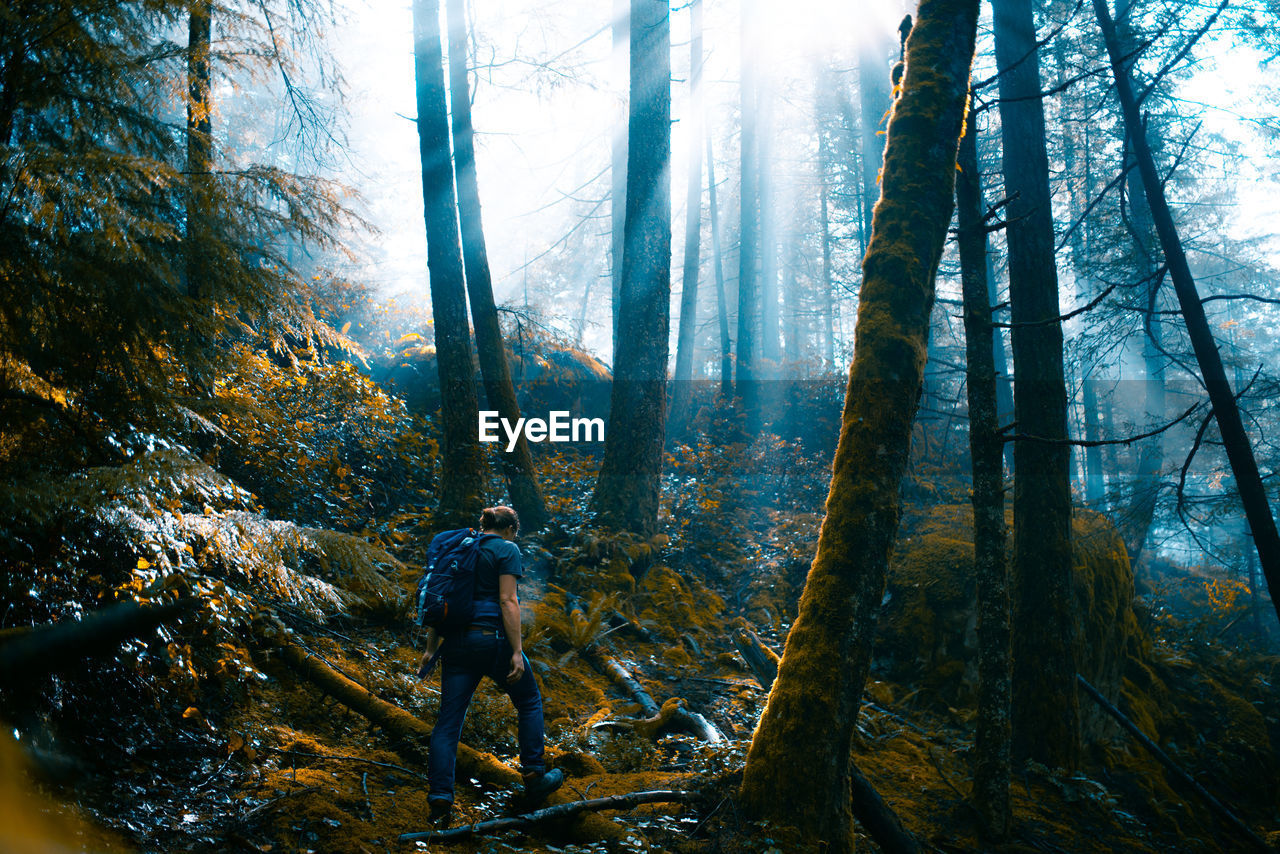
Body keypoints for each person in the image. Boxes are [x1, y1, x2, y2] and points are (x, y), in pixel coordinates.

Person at [421, 505, 563, 826]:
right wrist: (516, 651)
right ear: (511, 529)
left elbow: (442, 599)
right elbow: (508, 600)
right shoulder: (506, 548)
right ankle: (534, 775)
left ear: (483, 525)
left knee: (448, 723)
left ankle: (440, 799)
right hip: (492, 640)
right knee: (528, 700)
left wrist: (431, 649)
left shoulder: (460, 549)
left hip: (454, 644)